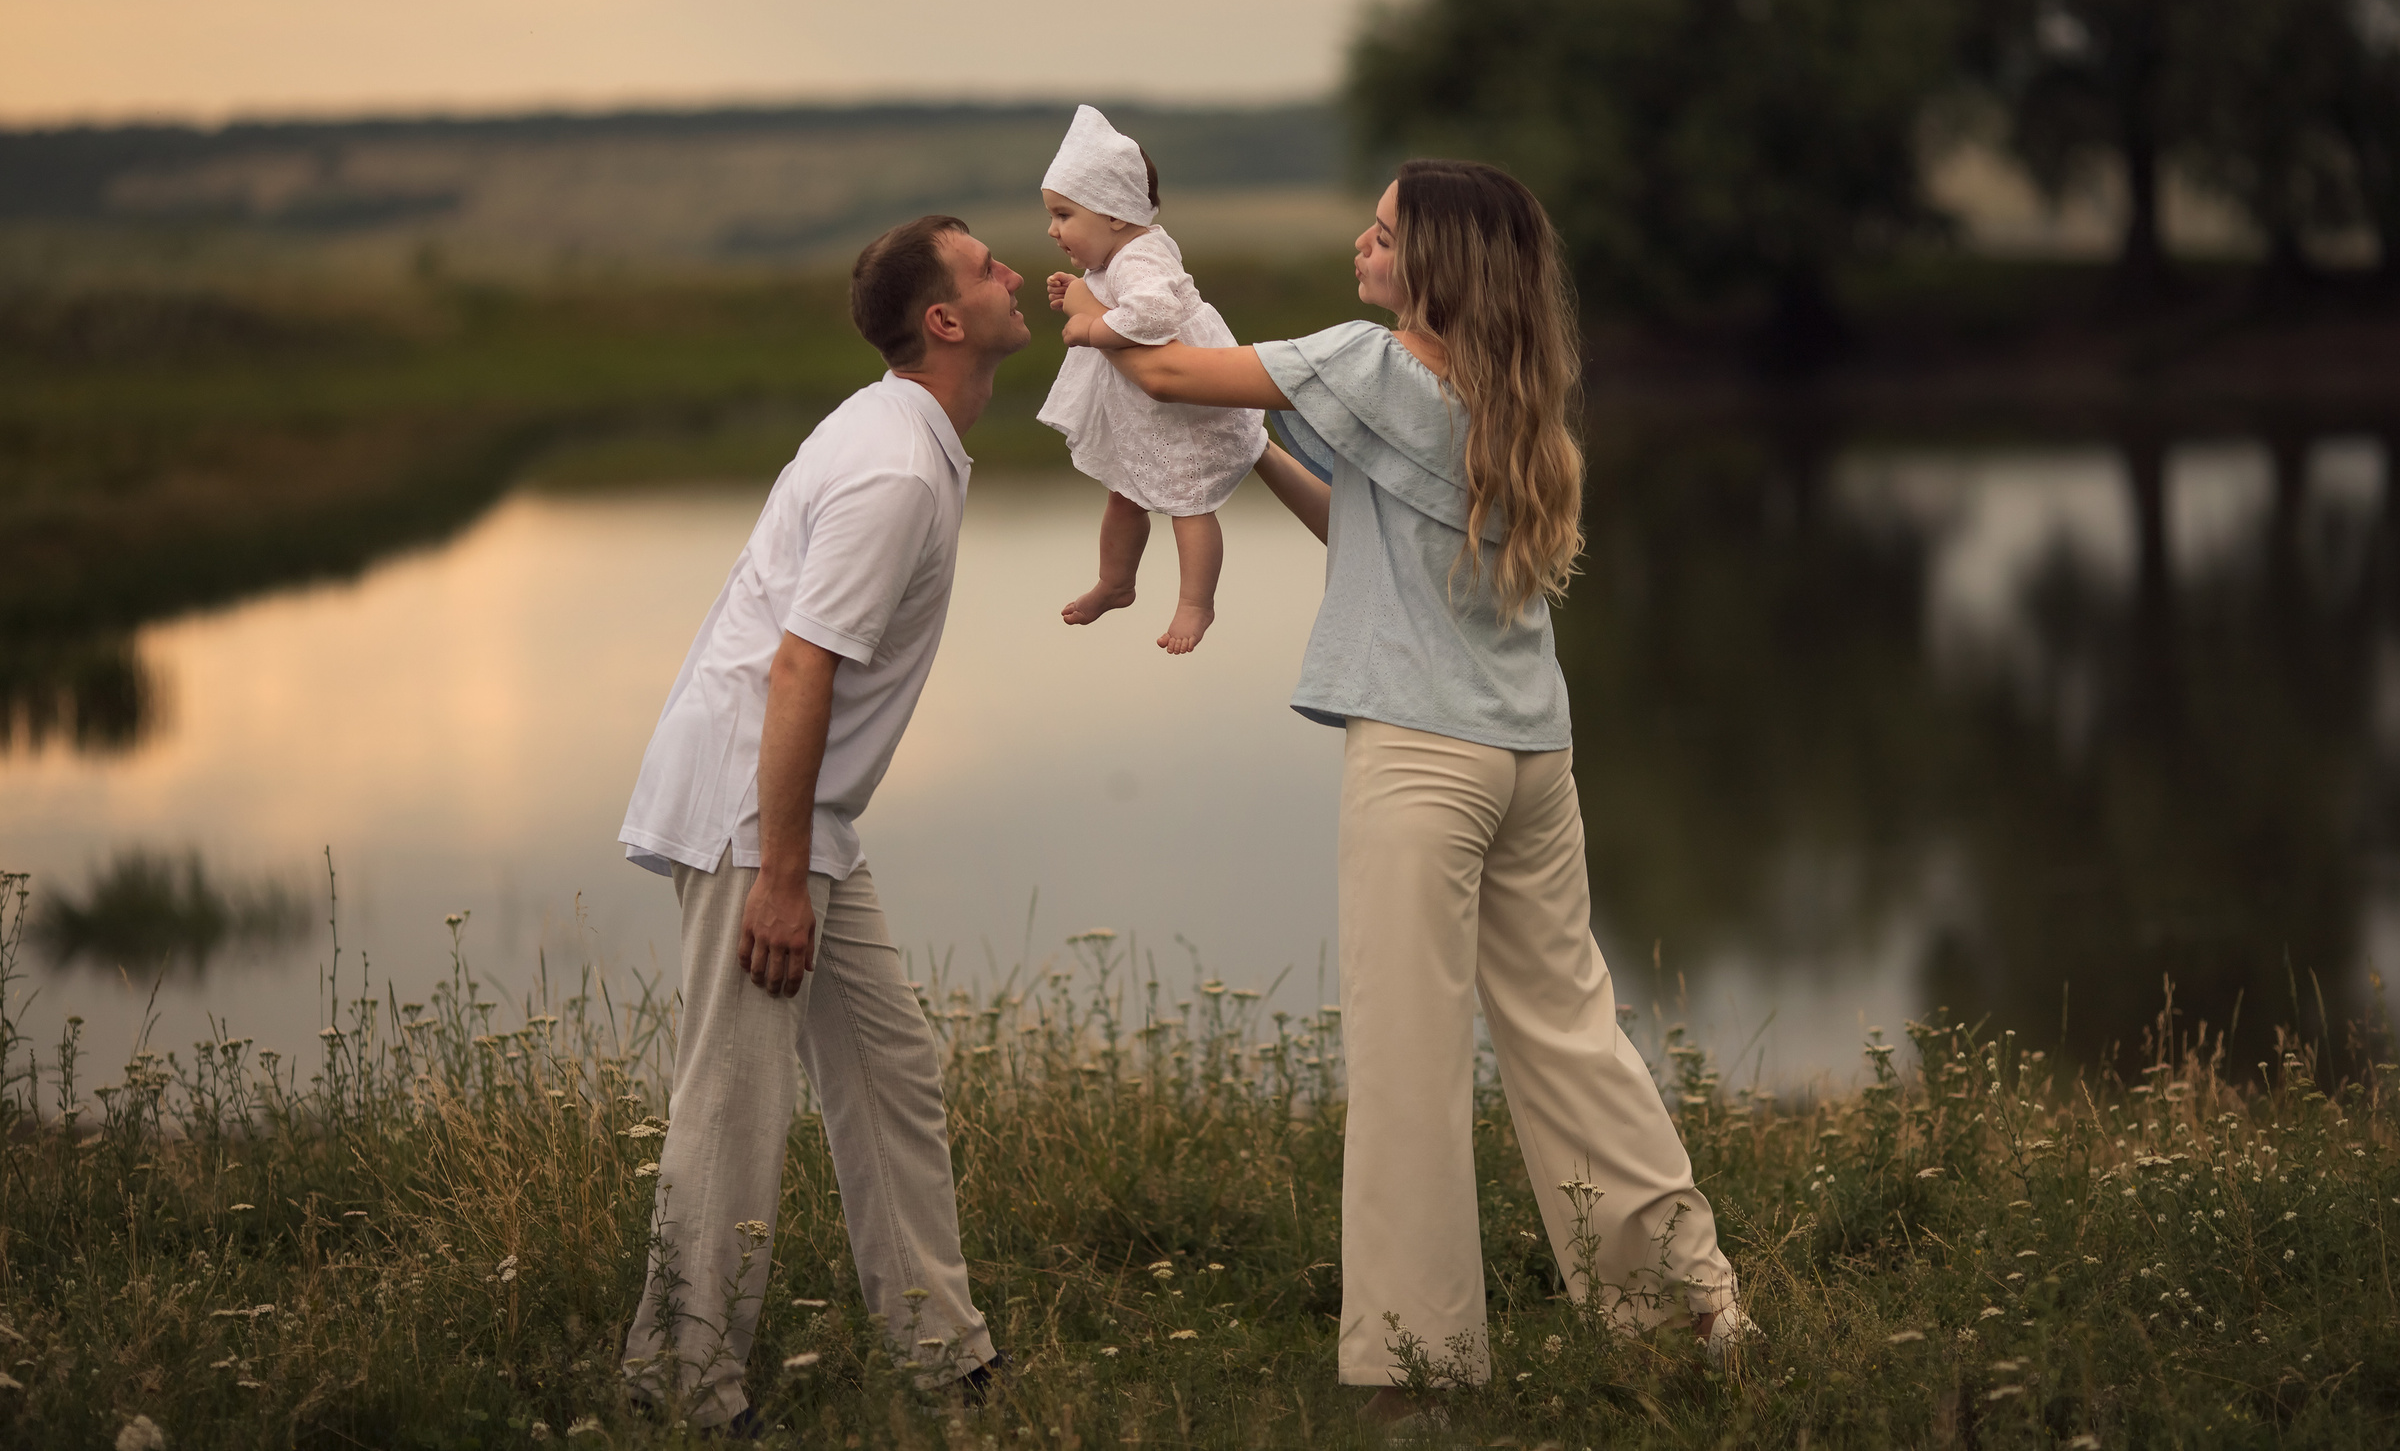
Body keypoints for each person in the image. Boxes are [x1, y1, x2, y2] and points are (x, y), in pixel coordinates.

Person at [1102, 159, 1754, 1419]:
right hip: (1529, 757)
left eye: (1385, 232)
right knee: (1573, 1039)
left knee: (1406, 1063)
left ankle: (1416, 1363)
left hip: (1419, 758)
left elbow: (1168, 371)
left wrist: (1096, 312)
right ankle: (1691, 1307)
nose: (1361, 242)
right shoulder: (1514, 399)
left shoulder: (1373, 364)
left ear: (1431, 266)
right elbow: (1369, 531)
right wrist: (1259, 460)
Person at [614, 213, 1029, 1431]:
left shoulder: (912, 435)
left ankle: (941, 1353)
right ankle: (678, 1387)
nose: (1016, 274)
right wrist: (781, 880)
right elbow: (801, 668)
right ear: (944, 321)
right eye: (988, 265)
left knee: (888, 1067)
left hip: (798, 818)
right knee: (735, 1098)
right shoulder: (896, 468)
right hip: (758, 817)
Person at [1034, 104, 1267, 654]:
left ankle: (1196, 603)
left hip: (1182, 406)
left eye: (1064, 215)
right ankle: (1116, 583)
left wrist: (1092, 327)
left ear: (1114, 214)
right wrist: (1080, 293)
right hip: (1147, 409)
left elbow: (1153, 315)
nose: (1052, 229)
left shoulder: (1140, 260)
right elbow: (1117, 301)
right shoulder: (1121, 256)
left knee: (1190, 506)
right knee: (1123, 495)